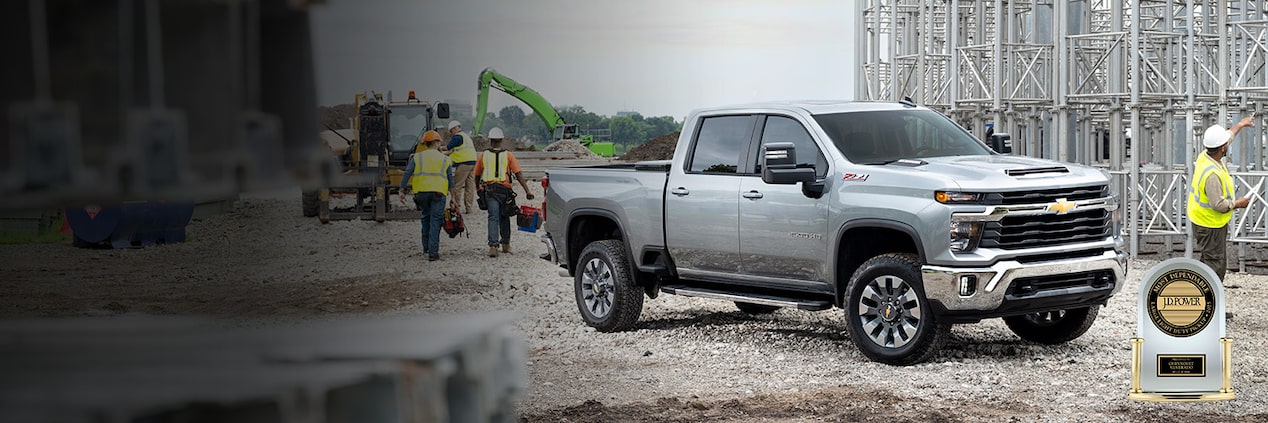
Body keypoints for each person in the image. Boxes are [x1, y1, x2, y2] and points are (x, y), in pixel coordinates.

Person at [1189, 115, 1255, 282]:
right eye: (1226, 144)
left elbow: (1228, 136)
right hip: (1209, 225)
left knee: (1208, 261)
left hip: (1203, 221)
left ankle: (1205, 299)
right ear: (1223, 148)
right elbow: (1218, 204)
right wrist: (1238, 204)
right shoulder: (1212, 174)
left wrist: (1240, 124)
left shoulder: (1205, 155)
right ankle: (1210, 302)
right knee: (1215, 265)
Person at [474, 127, 535, 257]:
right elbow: (518, 174)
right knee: (504, 217)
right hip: (505, 191)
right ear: (501, 140)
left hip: (490, 190)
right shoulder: (508, 155)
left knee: (493, 217)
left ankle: (493, 247)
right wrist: (527, 190)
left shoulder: (483, 155)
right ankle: (506, 245)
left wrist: (477, 188)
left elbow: (477, 175)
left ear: (490, 141)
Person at [399, 130, 453, 262]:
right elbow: (450, 179)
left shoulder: (417, 157)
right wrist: (454, 198)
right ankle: (433, 253)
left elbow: (407, 172)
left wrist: (401, 189)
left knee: (425, 216)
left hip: (421, 193)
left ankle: (426, 247)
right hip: (438, 193)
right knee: (435, 221)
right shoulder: (445, 159)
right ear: (436, 143)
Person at [442, 120, 478, 214]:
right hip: (472, 163)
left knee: (457, 186)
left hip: (463, 164)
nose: (451, 134)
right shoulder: (466, 137)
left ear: (454, 129)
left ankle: (456, 208)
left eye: (451, 131)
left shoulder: (457, 137)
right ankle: (469, 209)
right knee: (469, 188)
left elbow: (448, 147)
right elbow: (452, 151)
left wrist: (437, 148)